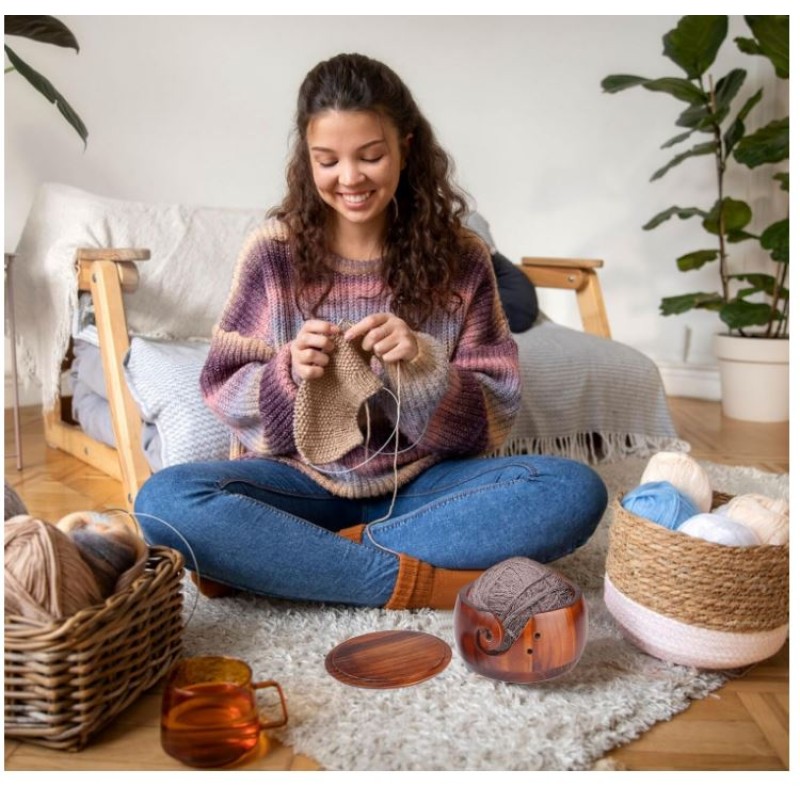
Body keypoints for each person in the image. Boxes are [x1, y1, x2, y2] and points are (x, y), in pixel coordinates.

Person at [135, 52, 608, 609]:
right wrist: (288, 374)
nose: (350, 178)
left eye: (370, 156)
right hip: (298, 486)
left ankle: (291, 559)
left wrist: (424, 367)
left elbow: (492, 419)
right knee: (164, 501)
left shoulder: (463, 258)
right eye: (327, 160)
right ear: (306, 160)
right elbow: (223, 386)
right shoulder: (273, 253)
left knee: (572, 492)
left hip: (425, 491)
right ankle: (415, 583)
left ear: (406, 146)